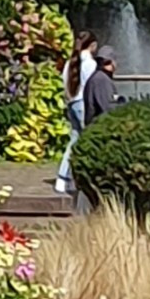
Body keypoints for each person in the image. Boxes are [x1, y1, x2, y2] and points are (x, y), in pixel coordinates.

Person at [55, 32, 98, 192]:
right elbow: (91, 86)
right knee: (87, 140)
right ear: (92, 45)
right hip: (82, 104)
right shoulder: (90, 64)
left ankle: (63, 177)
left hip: (71, 103)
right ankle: (77, 177)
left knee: (74, 140)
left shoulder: (70, 63)